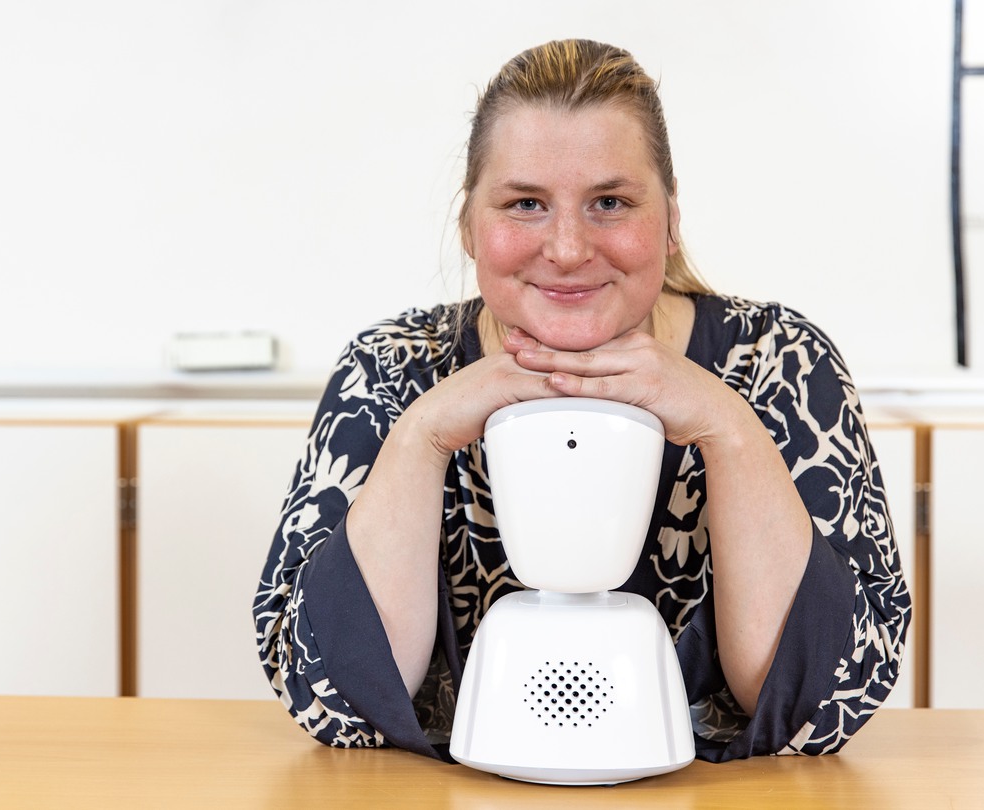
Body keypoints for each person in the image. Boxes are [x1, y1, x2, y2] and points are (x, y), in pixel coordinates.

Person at [253, 38, 909, 762]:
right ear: (469, 225)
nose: (567, 249)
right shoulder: (392, 370)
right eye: (525, 204)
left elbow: (827, 705)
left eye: (611, 203)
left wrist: (727, 426)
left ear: (671, 219)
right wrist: (423, 436)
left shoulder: (780, 362)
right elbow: (329, 699)